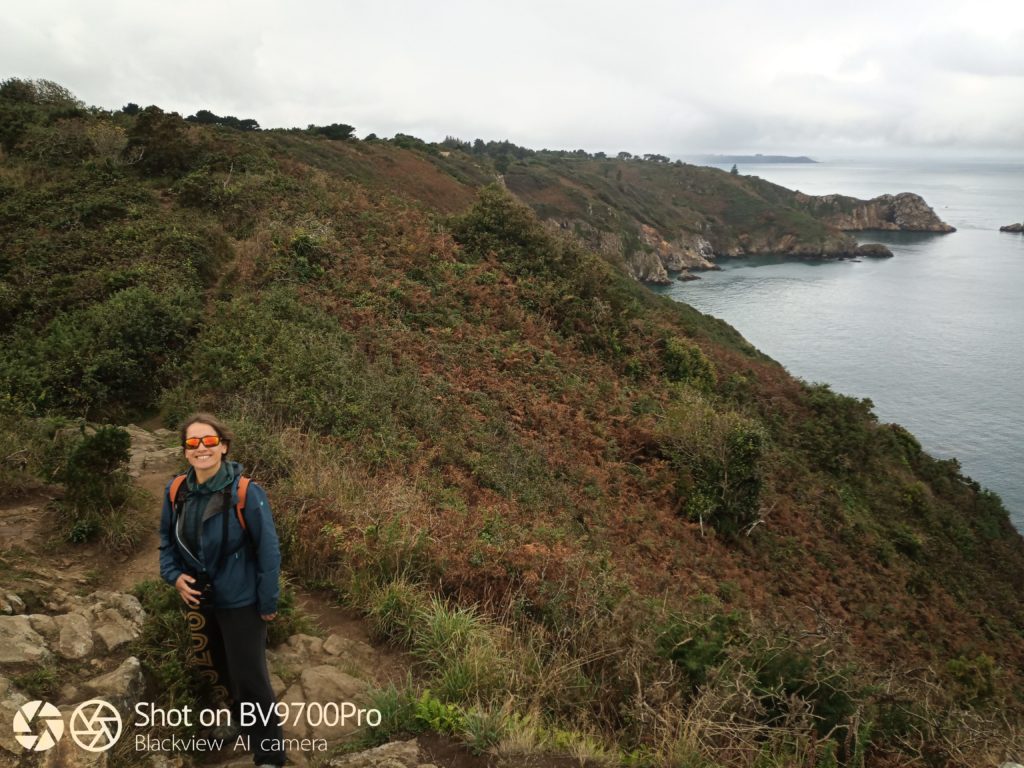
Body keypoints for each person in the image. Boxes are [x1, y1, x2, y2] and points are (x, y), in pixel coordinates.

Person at [159, 412, 285, 768]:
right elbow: (166, 542)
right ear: (185, 451)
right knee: (216, 666)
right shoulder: (175, 492)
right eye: (193, 443)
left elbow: (268, 550)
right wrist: (173, 576)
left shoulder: (245, 492)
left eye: (209, 442)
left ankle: (269, 754)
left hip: (241, 601)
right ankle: (239, 720)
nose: (201, 449)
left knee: (251, 679)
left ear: (223, 447)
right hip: (199, 599)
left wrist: (268, 600)